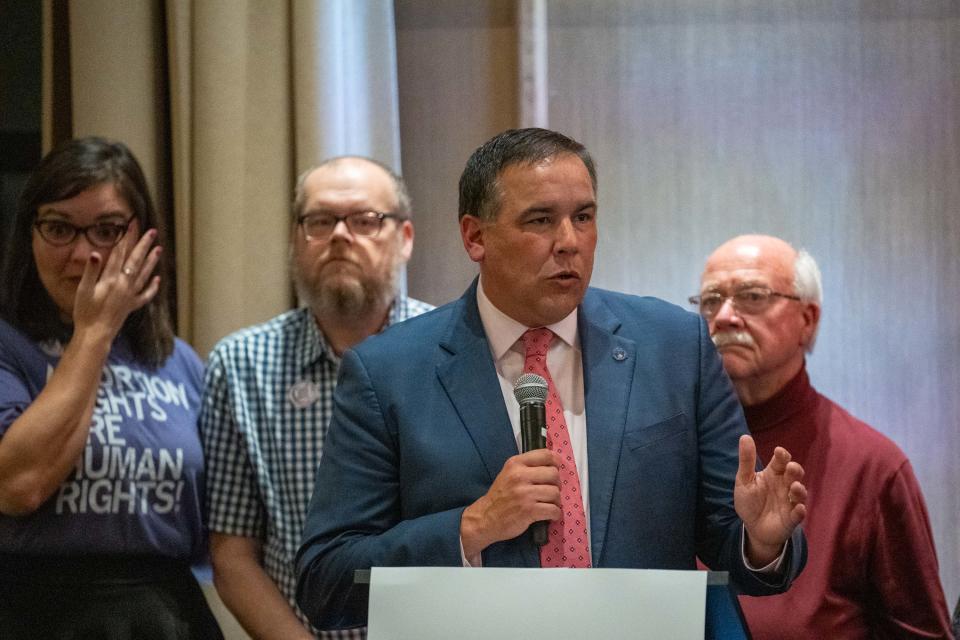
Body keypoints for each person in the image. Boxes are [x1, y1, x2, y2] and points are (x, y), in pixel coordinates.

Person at [296, 128, 808, 633]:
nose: (569, 242)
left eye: (583, 217)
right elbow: (326, 582)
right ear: (475, 236)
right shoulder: (387, 373)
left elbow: (730, 544)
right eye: (541, 220)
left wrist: (761, 542)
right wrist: (470, 528)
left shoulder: (676, 346)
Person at [200, 156, 433, 639]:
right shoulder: (242, 364)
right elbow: (233, 556)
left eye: (366, 220)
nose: (341, 236)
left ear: (405, 238)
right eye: (320, 221)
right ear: (295, 240)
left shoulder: (452, 351)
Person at [0, 137, 221, 639]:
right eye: (58, 228)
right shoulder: (9, 347)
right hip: (34, 611)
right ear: (29, 235)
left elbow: (220, 527)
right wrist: (95, 332)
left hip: (165, 611)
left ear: (143, 238)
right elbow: (18, 485)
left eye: (106, 230)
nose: (84, 253)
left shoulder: (178, 361)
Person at [694, 234, 952, 638]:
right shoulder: (669, 446)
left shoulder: (874, 466)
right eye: (710, 300)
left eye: (752, 296)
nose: (724, 316)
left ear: (808, 319)